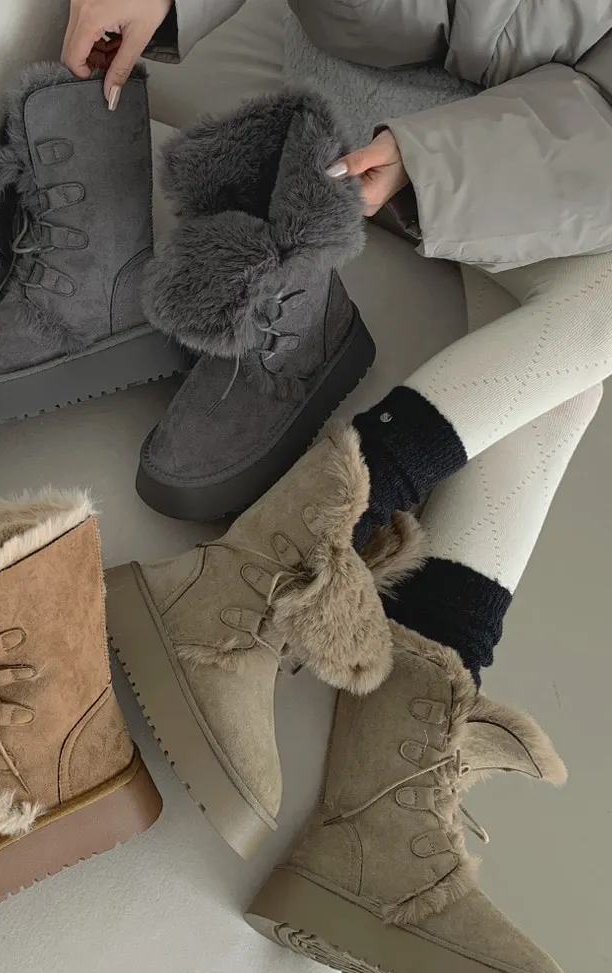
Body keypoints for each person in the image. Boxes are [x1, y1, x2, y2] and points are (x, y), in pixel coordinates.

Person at [61, 0, 612, 686]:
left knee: (567, 378)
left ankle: (408, 693)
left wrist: (438, 156)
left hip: (536, 130)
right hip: (381, 59)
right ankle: (293, 559)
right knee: (578, 345)